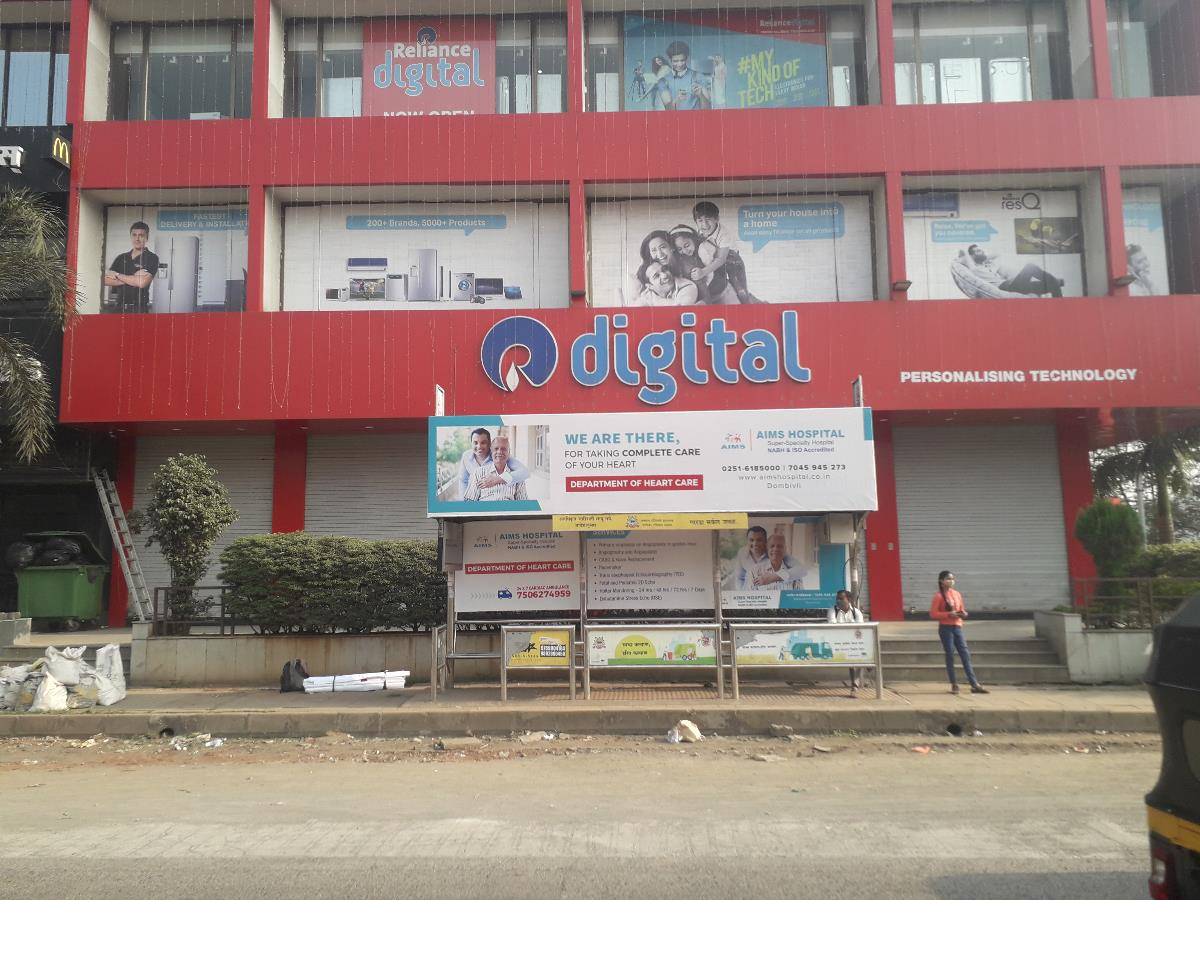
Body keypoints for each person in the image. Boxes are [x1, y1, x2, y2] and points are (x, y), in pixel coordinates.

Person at [930, 570, 988, 695]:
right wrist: (948, 614)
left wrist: (963, 613)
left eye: (952, 579)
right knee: (950, 655)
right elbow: (933, 614)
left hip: (957, 627)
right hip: (946, 629)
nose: (951, 581)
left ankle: (974, 684)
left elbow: (961, 609)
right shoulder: (938, 596)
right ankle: (954, 684)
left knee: (965, 655)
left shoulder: (956, 594)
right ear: (941, 581)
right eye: (948, 579)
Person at [692, 201, 760, 303]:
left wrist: (703, 272)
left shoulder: (724, 234)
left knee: (740, 289)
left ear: (717, 219)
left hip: (732, 261)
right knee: (720, 285)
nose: (704, 224)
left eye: (708, 219)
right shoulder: (700, 231)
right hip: (715, 258)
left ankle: (749, 305)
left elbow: (721, 259)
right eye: (700, 220)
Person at [965, 244, 1064, 298]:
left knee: (1056, 283)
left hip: (1016, 285)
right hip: (1005, 286)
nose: (982, 252)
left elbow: (997, 254)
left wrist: (983, 257)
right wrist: (967, 255)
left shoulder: (989, 264)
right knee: (1030, 267)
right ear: (972, 256)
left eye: (981, 250)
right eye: (978, 251)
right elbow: (969, 262)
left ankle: (1059, 309)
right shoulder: (975, 270)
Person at [458, 428, 530, 500]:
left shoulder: (500, 457)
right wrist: (462, 501)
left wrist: (497, 479)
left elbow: (525, 472)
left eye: (483, 443)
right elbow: (463, 480)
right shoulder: (466, 456)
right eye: (475, 443)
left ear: (489, 444)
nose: (479, 446)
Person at [103, 221, 160, 312]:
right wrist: (134, 279)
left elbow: (142, 282)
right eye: (134, 235)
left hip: (139, 309)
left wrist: (117, 274)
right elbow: (105, 280)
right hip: (119, 308)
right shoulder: (121, 257)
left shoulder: (152, 257)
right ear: (131, 236)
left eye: (141, 235)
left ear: (147, 238)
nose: (137, 238)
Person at [828, 589, 867, 690]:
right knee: (855, 654)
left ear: (848, 599)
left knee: (858, 653)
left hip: (853, 642)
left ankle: (855, 683)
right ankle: (857, 681)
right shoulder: (833, 610)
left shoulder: (856, 612)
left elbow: (860, 630)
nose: (838, 601)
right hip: (836, 643)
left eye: (841, 598)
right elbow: (832, 626)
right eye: (837, 599)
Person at [656, 41, 711, 110]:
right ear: (670, 60)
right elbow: (668, 110)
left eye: (682, 60)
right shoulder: (663, 81)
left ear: (687, 58)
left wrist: (701, 95)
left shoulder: (698, 76)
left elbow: (708, 109)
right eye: (675, 61)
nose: (679, 64)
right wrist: (677, 100)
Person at [631, 260, 699, 306]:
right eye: (656, 276)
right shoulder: (648, 294)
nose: (665, 275)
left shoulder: (688, 286)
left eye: (664, 270)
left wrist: (657, 300)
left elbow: (681, 309)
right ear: (649, 285)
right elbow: (633, 312)